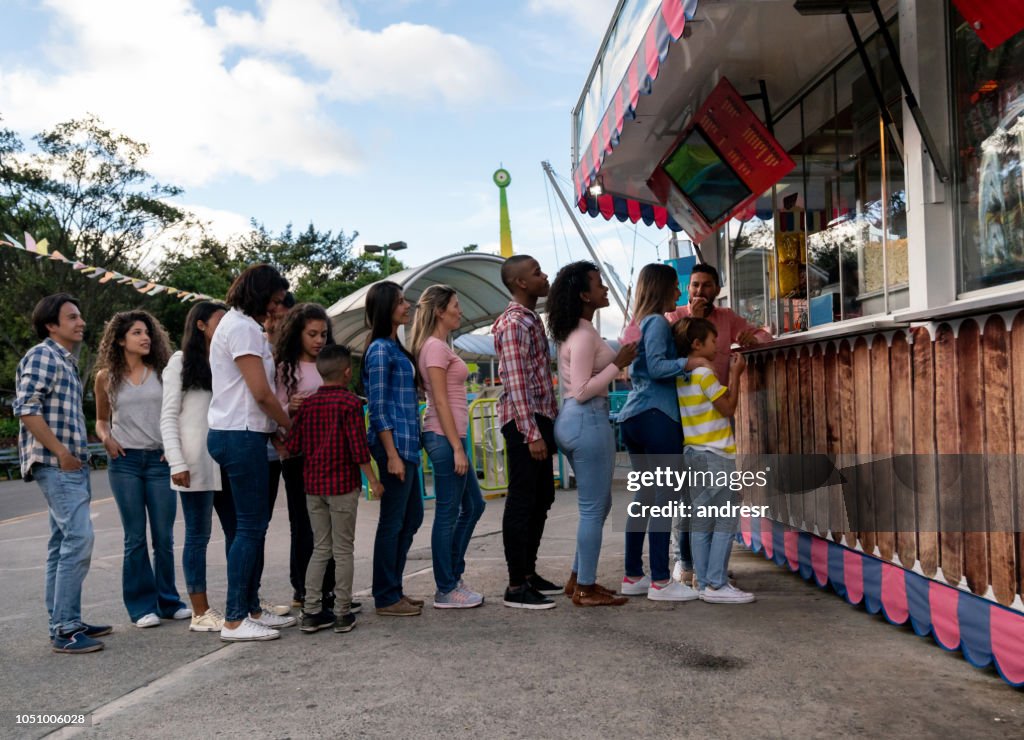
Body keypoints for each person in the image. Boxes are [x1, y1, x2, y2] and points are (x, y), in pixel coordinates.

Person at [15, 293, 111, 653]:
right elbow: (26, 408)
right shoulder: (42, 354)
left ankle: (64, 619)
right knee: (79, 540)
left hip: (70, 463)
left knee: (62, 544)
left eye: (80, 315)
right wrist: (61, 453)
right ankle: (66, 629)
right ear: (51, 325)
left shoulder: (66, 361)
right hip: (58, 464)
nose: (81, 321)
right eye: (72, 317)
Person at [207, 264, 297, 641]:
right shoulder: (242, 328)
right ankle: (233, 619)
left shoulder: (240, 325)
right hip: (240, 435)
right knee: (249, 528)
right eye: (275, 301)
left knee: (245, 529)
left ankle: (251, 609)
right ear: (260, 296)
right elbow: (260, 393)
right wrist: (286, 425)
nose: (278, 310)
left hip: (238, 434)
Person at [547, 262, 636, 607]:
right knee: (594, 508)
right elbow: (582, 390)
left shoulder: (577, 331)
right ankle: (586, 585)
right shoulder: (583, 336)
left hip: (576, 422)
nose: (605, 289)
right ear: (584, 295)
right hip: (587, 419)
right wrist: (619, 362)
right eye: (599, 285)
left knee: (596, 506)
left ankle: (577, 577)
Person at [95, 310, 190, 628]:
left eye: (147, 332)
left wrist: (174, 449)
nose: (145, 337)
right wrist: (106, 437)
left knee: (163, 537)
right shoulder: (106, 378)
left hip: (160, 462)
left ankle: (168, 601)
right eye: (137, 332)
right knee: (135, 537)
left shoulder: (164, 373)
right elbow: (99, 420)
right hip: (125, 464)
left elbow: (178, 415)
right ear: (121, 340)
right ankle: (140, 607)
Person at [616, 263, 704, 602]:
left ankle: (633, 575)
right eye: (675, 287)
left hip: (635, 417)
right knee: (665, 500)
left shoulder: (640, 323)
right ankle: (661, 581)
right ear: (661, 289)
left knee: (646, 498)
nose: (680, 294)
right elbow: (656, 366)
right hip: (657, 416)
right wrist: (688, 363)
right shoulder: (656, 322)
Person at [285, 344, 383, 633]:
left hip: (313, 488)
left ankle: (312, 611)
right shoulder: (351, 404)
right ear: (347, 372)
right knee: (343, 551)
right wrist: (373, 481)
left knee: (320, 548)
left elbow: (292, 446)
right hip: (342, 487)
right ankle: (342, 612)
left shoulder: (308, 405)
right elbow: (358, 449)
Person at [160, 301, 236, 633]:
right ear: (202, 325)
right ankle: (200, 611)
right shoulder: (180, 362)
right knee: (197, 536)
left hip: (227, 458)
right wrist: (176, 460)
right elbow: (167, 416)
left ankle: (244, 600)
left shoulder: (225, 359)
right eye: (221, 321)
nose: (227, 326)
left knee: (239, 532)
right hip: (193, 461)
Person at [409, 285, 486, 609]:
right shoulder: (435, 348)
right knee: (448, 513)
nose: (460, 310)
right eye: (455, 305)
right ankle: (446, 586)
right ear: (440, 310)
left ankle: (452, 575)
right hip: (444, 438)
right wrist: (456, 447)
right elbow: (438, 400)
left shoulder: (438, 346)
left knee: (473, 506)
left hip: (451, 437)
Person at [493, 255, 562, 610]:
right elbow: (515, 381)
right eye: (536, 273)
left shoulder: (531, 319)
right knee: (522, 500)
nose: (544, 275)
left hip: (537, 417)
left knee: (542, 498)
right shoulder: (514, 323)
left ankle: (529, 573)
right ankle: (516, 584)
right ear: (521, 283)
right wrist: (531, 432)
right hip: (525, 421)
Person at [672, 318, 755, 603]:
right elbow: (728, 408)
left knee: (702, 523)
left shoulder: (682, 376)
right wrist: (736, 374)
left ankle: (705, 582)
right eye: (712, 340)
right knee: (725, 522)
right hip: (715, 455)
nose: (717, 345)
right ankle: (718, 585)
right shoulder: (705, 375)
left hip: (693, 453)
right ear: (697, 344)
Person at [363, 281, 425, 617]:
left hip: (406, 445)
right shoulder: (380, 351)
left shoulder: (394, 347)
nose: (407, 305)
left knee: (411, 517)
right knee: (393, 521)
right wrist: (391, 454)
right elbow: (378, 406)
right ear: (386, 307)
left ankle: (393, 588)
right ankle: (386, 595)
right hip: (395, 447)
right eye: (400, 301)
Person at [274, 302, 339, 611]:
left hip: (330, 456)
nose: (318, 340)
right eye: (312, 334)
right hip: (299, 456)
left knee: (330, 525)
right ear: (297, 334)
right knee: (304, 524)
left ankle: (330, 589)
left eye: (323, 334)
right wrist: (290, 409)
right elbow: (271, 411)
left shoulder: (330, 365)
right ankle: (304, 590)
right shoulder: (285, 369)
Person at [665, 264, 771, 383]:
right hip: (686, 398)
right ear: (688, 288)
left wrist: (753, 339)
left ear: (717, 290)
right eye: (695, 285)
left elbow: (765, 336)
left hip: (718, 397)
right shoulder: (674, 315)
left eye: (706, 285)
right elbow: (671, 358)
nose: (699, 291)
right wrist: (695, 321)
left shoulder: (726, 316)